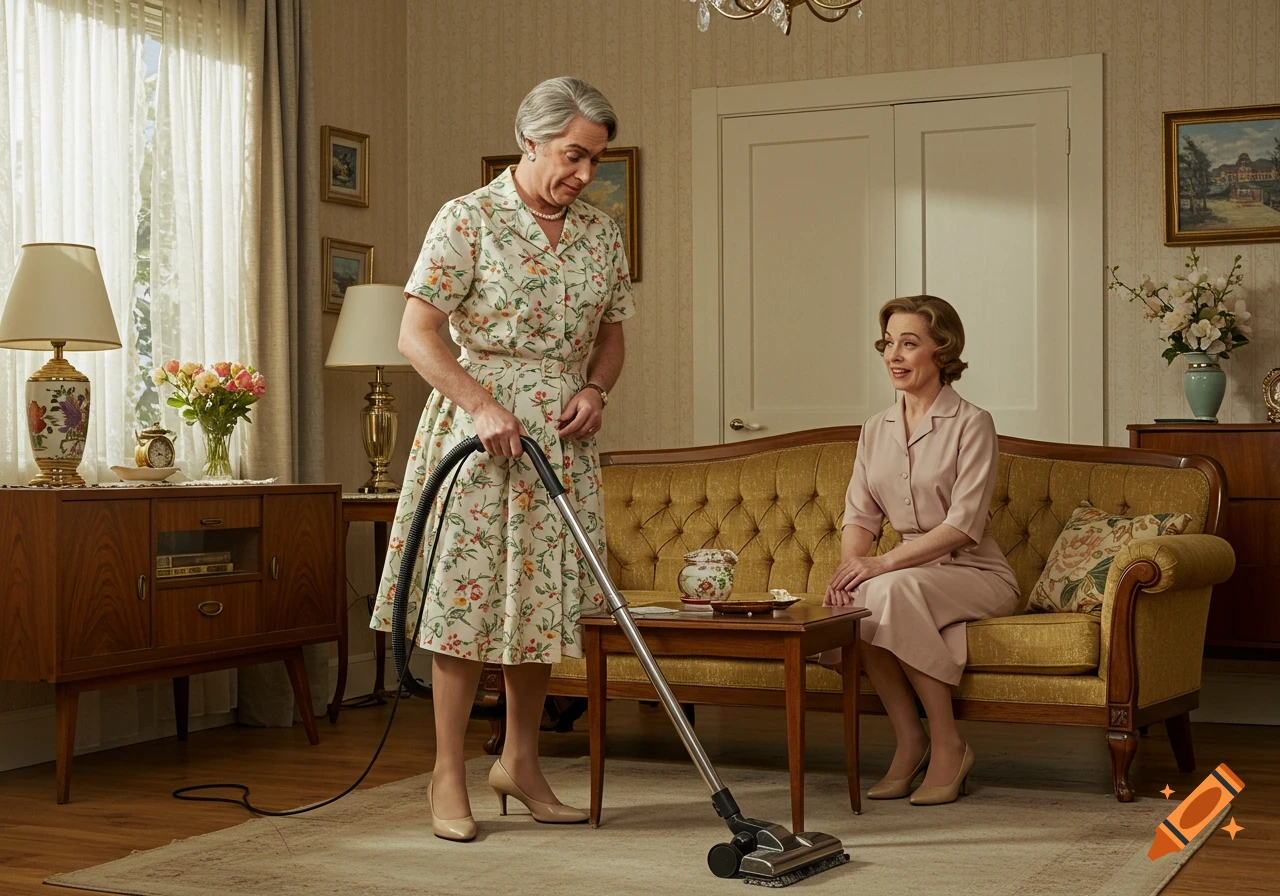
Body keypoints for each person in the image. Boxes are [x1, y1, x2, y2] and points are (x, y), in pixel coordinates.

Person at [367, 77, 635, 841]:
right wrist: (482, 405)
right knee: (468, 604)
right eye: (574, 156)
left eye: (595, 160)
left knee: (540, 604)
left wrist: (596, 389)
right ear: (530, 141)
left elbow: (612, 335)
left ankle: (520, 763)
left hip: (561, 436)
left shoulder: (599, 233)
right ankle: (446, 772)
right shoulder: (469, 219)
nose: (585, 173)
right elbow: (416, 335)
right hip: (479, 436)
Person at [821, 295, 1018, 806]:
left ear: (942, 350)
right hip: (907, 573)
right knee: (862, 600)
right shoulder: (874, 428)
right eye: (888, 343)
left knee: (890, 589)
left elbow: (963, 525)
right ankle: (912, 740)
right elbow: (860, 515)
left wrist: (880, 564)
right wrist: (851, 569)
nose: (894, 355)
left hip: (976, 573)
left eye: (909, 343)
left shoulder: (973, 422)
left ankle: (948, 743)